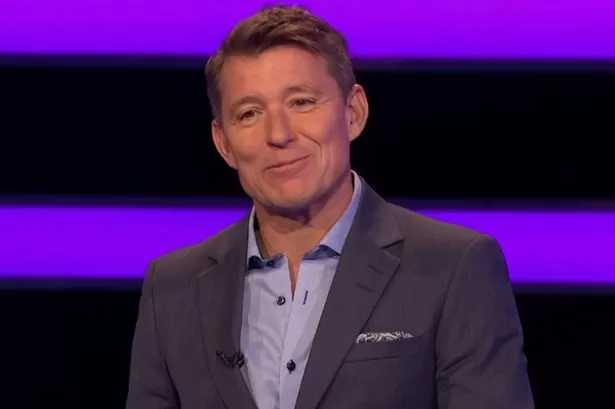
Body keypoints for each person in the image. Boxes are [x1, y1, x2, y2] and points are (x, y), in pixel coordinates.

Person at [126, 5, 534, 409]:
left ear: (353, 113)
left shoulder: (454, 267)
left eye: (302, 102)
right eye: (249, 113)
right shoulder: (172, 288)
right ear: (224, 143)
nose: (279, 134)